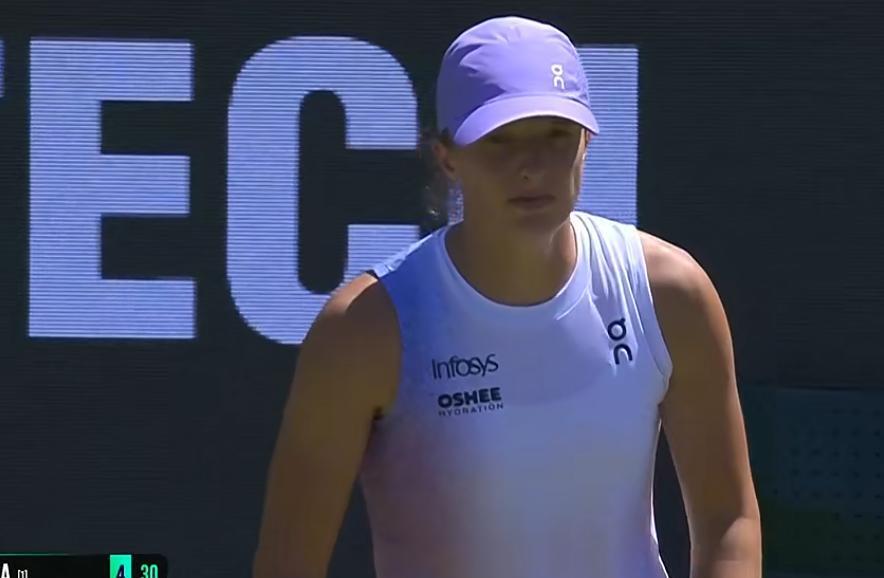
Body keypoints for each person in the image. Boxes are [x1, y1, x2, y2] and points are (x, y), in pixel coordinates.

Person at [252, 15, 762, 578]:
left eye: (556, 134)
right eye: (500, 138)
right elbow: (288, 563)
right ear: (447, 156)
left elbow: (728, 520)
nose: (531, 166)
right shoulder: (364, 329)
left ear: (587, 143)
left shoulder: (670, 293)